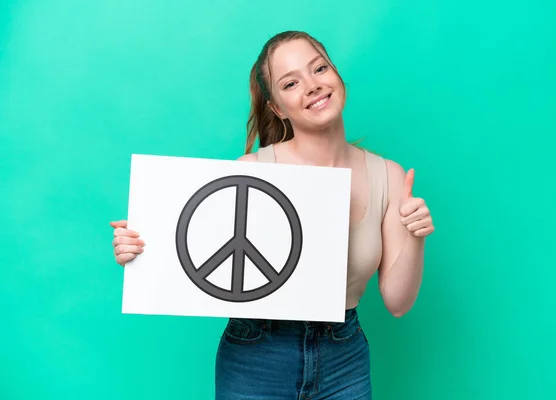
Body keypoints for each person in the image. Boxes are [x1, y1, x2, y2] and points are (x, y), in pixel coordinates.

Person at [110, 30, 434, 399]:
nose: (312, 86)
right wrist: (139, 249)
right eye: (291, 82)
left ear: (337, 76)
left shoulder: (388, 177)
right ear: (277, 107)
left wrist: (415, 235)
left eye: (320, 69)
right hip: (256, 354)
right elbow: (196, 252)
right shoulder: (251, 173)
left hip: (344, 356)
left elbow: (398, 302)